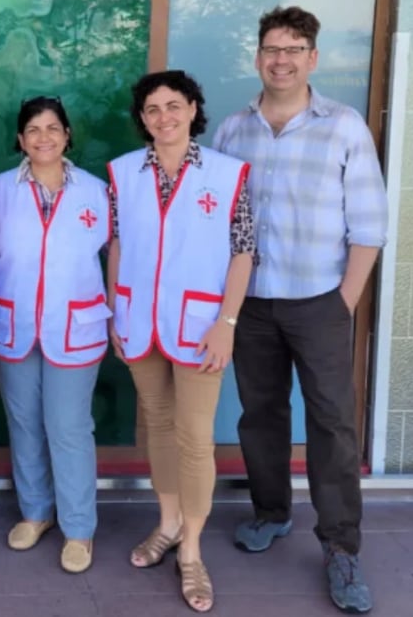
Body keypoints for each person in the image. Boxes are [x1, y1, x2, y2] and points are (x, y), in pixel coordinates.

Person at [212, 6, 387, 615]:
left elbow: (369, 225)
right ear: (257, 57)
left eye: (293, 49)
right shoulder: (233, 131)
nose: (280, 59)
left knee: (332, 425)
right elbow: (216, 223)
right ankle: (270, 512)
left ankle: (340, 546)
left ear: (312, 57)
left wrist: (344, 301)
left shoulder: (343, 127)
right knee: (259, 416)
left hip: (320, 301)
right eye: (270, 48)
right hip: (253, 303)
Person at [107, 70, 256, 613]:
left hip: (202, 328)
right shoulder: (124, 172)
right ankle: (167, 523)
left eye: (174, 105)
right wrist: (115, 311)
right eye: (152, 109)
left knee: (195, 437)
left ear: (194, 108)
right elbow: (118, 244)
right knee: (160, 428)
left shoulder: (227, 173)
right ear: (142, 119)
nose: (163, 117)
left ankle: (192, 550)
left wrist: (228, 323)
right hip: (139, 324)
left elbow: (243, 252)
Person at [0, 96, 109, 573]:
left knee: (70, 427)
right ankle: (36, 513)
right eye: (33, 129)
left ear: (67, 135)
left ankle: (79, 527)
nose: (43, 137)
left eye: (53, 128)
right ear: (20, 139)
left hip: (75, 326)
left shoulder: (96, 193)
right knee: (24, 424)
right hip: (11, 323)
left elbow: (113, 257)